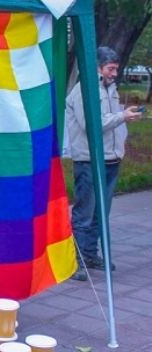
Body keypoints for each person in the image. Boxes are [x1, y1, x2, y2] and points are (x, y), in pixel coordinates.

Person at [65, 46, 143, 281]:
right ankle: (74, 261)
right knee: (85, 213)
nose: (114, 73)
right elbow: (91, 124)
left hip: (111, 159)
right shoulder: (84, 91)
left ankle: (89, 254)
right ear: (98, 67)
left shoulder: (111, 89)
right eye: (111, 68)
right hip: (89, 160)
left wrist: (124, 114)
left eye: (116, 69)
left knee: (100, 213)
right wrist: (122, 116)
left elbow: (110, 119)